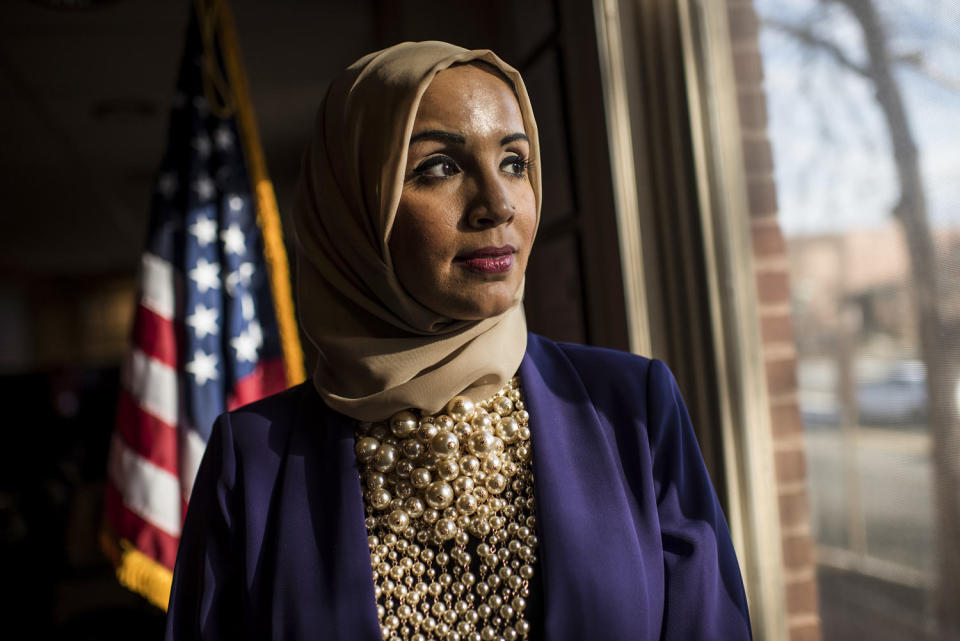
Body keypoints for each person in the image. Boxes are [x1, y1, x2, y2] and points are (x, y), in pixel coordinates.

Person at [164, 41, 753, 641]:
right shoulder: (253, 462)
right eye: (438, 167)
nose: (496, 205)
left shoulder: (631, 408)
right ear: (355, 210)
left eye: (515, 163)